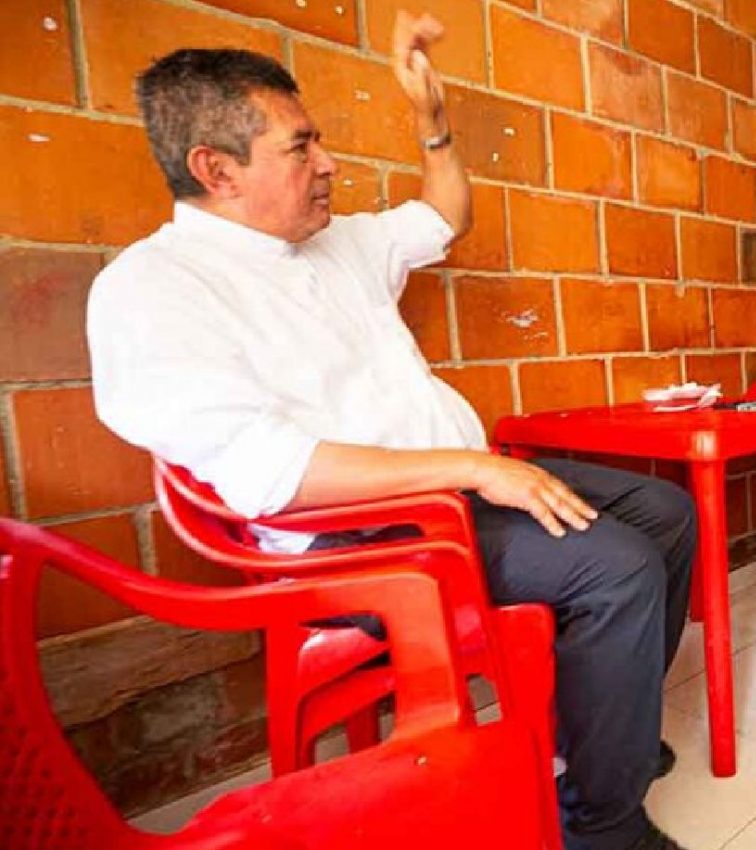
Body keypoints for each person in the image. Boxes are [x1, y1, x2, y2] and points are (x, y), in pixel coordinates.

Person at [86, 17, 693, 850]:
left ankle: (602, 739)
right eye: (300, 147)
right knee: (616, 566)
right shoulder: (154, 290)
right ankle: (603, 828)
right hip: (351, 540)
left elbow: (445, 214)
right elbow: (275, 472)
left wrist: (431, 121)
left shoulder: (334, 244)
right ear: (216, 171)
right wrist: (474, 469)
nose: (327, 163)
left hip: (454, 493)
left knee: (666, 511)